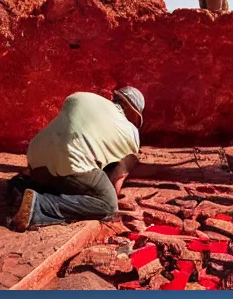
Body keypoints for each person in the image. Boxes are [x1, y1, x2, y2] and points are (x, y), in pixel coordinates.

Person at [10, 88, 144, 231]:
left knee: (66, 174)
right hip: (70, 161)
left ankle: (24, 186)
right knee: (108, 205)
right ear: (132, 111)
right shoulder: (132, 133)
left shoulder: (82, 97)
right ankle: (39, 206)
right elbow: (118, 176)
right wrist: (111, 194)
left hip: (34, 158)